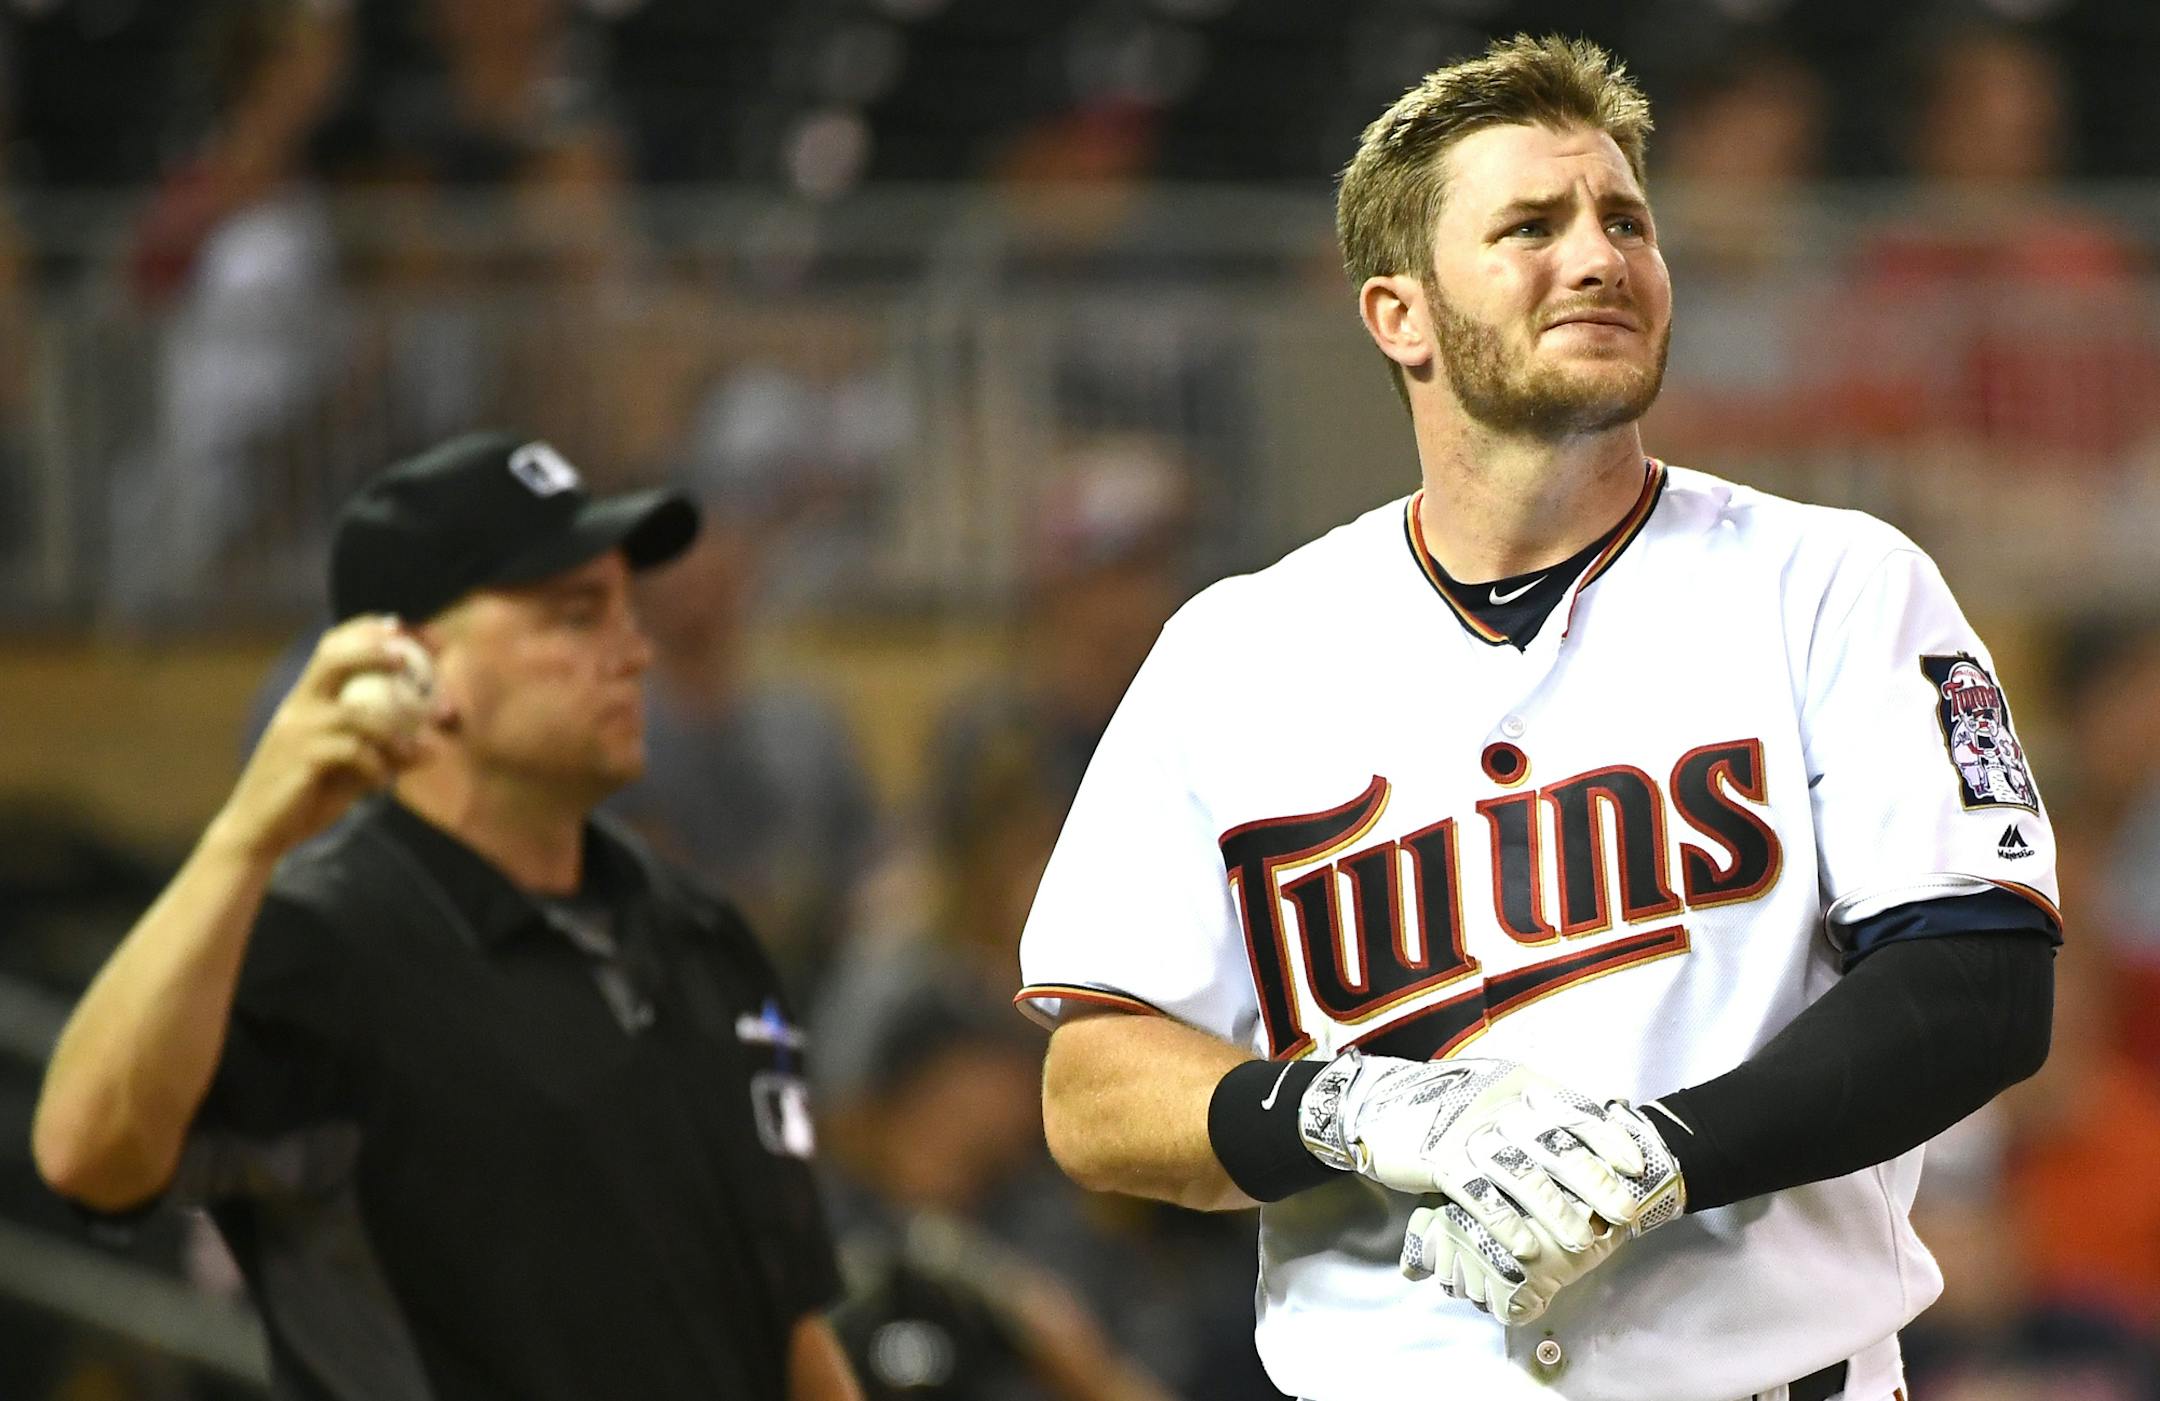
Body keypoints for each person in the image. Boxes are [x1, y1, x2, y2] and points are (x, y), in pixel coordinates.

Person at [1017, 34, 2060, 1401]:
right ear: (1400, 314)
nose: (1599, 255)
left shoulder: (1834, 584)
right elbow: (1093, 1084)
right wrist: (1353, 1107)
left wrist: (1669, 1150)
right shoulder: (1234, 651)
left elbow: (1979, 985)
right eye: (1530, 226)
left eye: (1626, 219)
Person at [32, 431, 861, 1400]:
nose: (635, 651)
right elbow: (86, 1154)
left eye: (627, 609)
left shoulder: (697, 929)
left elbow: (788, 1326)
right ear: (417, 664)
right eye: (576, 615)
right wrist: (244, 842)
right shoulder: (321, 937)